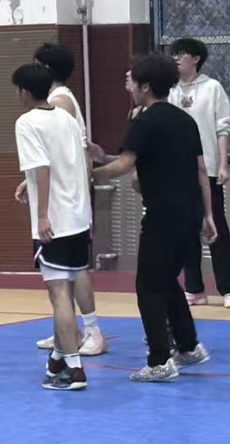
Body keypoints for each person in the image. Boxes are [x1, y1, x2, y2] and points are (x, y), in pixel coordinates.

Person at [92, 53, 216, 382]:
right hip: (189, 214)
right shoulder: (184, 120)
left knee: (148, 287)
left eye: (132, 81)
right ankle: (188, 346)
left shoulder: (144, 122)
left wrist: (86, 173)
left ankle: (159, 361)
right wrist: (208, 214)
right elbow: (198, 168)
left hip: (163, 216)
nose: (128, 87)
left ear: (145, 86)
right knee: (165, 281)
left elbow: (124, 165)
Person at [12, 63, 94, 391]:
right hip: (79, 216)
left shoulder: (26, 122)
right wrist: (28, 182)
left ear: (24, 92)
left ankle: (74, 369)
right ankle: (59, 356)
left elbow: (43, 168)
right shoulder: (67, 117)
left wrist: (42, 215)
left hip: (56, 221)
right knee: (65, 292)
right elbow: (75, 162)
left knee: (59, 295)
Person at [23, 43, 105, 356]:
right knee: (62, 272)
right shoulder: (59, 99)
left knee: (74, 268)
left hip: (69, 194)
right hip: (64, 188)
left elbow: (62, 152)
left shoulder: (59, 101)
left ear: (45, 69)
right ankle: (66, 331)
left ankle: (92, 331)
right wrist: (28, 180)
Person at [168, 38, 230, 309]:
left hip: (207, 168)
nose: (176, 59)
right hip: (178, 170)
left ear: (196, 59)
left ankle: (228, 289)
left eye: (181, 54)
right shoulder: (170, 90)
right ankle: (194, 289)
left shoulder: (213, 88)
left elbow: (222, 129)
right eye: (173, 54)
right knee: (186, 230)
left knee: (215, 226)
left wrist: (223, 165)